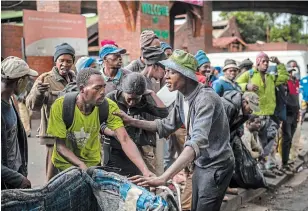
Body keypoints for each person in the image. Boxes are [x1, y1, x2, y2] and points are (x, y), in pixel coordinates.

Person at [116, 50, 235, 211]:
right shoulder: (181, 96)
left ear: (185, 75)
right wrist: (132, 121)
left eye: (171, 72)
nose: (166, 77)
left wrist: (164, 177)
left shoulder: (205, 99)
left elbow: (195, 143)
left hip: (216, 165)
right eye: (166, 72)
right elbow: (166, 125)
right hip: (201, 163)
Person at [46, 68, 153, 178]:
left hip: (92, 165)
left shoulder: (109, 107)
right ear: (82, 89)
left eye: (104, 87)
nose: (103, 92)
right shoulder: (61, 106)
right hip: (64, 167)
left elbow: (125, 139)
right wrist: (81, 165)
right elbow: (60, 146)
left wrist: (145, 170)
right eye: (97, 88)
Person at [26, 43, 76, 181]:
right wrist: (39, 93)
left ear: (73, 62)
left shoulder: (75, 79)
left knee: (71, 172)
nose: (65, 64)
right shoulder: (45, 79)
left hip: (72, 133)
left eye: (68, 61)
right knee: (52, 175)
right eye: (61, 60)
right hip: (53, 134)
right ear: (56, 61)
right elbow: (32, 106)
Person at [104, 72, 168, 176]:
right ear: (123, 91)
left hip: (135, 147)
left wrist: (152, 94)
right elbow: (100, 122)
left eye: (136, 99)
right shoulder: (112, 98)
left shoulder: (143, 101)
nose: (132, 103)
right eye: (129, 99)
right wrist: (112, 133)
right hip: (114, 148)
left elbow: (163, 113)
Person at [236, 52, 289, 174]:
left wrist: (279, 63)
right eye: (263, 61)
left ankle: (267, 166)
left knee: (270, 142)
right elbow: (236, 84)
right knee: (256, 143)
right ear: (258, 62)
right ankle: (259, 167)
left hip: (270, 115)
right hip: (254, 116)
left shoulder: (271, 77)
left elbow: (285, 77)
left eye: (267, 62)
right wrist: (246, 86)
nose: (266, 64)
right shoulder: (249, 74)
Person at [1, 56, 38, 189]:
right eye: (27, 79)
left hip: (15, 174)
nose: (28, 82)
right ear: (20, 81)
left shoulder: (10, 100)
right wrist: (17, 179)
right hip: (6, 183)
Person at [281, 65, 300, 173]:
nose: (291, 74)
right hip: (287, 114)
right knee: (286, 138)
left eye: (292, 72)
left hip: (294, 114)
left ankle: (287, 161)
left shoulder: (295, 82)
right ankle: (284, 163)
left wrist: (298, 112)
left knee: (290, 139)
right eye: (288, 72)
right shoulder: (284, 84)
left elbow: (296, 98)